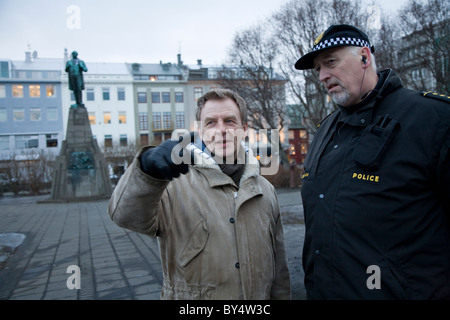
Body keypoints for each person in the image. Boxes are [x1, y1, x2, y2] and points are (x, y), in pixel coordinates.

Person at [294, 24, 450, 299]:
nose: (322, 75)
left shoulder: (432, 119)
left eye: (330, 62)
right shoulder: (325, 130)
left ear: (365, 57)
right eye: (318, 68)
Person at [108, 88, 291, 300]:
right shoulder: (172, 184)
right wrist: (146, 172)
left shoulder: (265, 190)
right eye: (211, 122)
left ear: (244, 128)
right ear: (201, 130)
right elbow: (125, 217)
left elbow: (279, 272)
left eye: (230, 121)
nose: (221, 130)